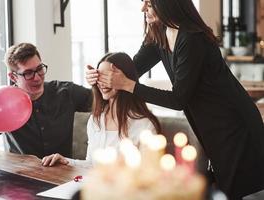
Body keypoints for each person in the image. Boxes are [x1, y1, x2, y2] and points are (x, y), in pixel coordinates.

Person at [86, 1, 264, 199]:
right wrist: (99, 77)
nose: (143, 8)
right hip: (212, 128)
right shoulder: (159, 33)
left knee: (236, 191)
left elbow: (178, 99)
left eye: (149, 3)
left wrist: (127, 84)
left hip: (234, 125)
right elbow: (132, 70)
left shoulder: (191, 38)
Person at [0, 43, 92, 159]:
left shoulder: (66, 92)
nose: (37, 77)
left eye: (39, 69)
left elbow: (104, 102)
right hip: (23, 177)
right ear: (13, 77)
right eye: (28, 73)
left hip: (64, 175)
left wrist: (98, 81)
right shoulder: (2, 103)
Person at [41, 52, 162, 167]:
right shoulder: (96, 119)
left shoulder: (144, 125)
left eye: (107, 77)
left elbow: (149, 176)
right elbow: (91, 165)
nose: (102, 83)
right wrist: (66, 161)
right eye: (99, 77)